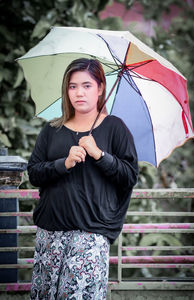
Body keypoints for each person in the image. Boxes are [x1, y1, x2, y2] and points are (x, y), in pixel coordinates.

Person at [28, 58, 138, 299]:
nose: (79, 92)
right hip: (50, 231)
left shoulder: (115, 128)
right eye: (73, 86)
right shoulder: (52, 130)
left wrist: (99, 155)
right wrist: (63, 163)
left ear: (100, 89)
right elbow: (34, 173)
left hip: (91, 233)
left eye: (87, 86)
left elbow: (129, 176)